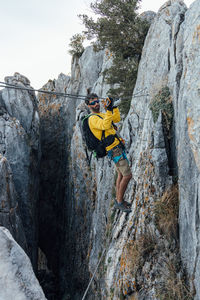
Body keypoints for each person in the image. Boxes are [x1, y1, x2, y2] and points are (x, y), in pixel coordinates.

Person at [85, 93, 132, 213]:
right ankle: (120, 203)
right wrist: (109, 110)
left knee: (121, 174)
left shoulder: (101, 114)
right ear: (88, 105)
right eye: (92, 103)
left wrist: (113, 107)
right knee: (127, 175)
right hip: (113, 149)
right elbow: (105, 125)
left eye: (97, 101)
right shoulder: (92, 119)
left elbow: (116, 119)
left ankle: (118, 199)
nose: (96, 104)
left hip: (116, 146)